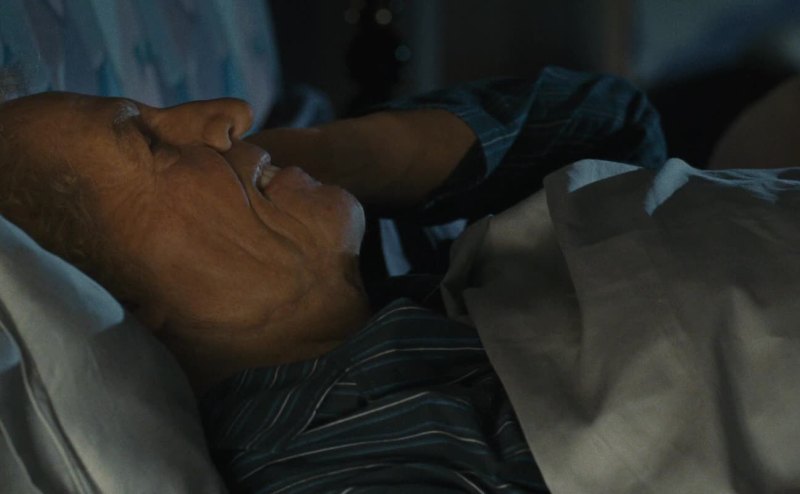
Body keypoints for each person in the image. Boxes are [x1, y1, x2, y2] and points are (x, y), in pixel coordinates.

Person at [0, 67, 666, 492]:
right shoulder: (343, 461)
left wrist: (338, 156)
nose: (232, 111)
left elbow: (620, 128)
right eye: (150, 143)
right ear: (108, 301)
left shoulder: (397, 284)